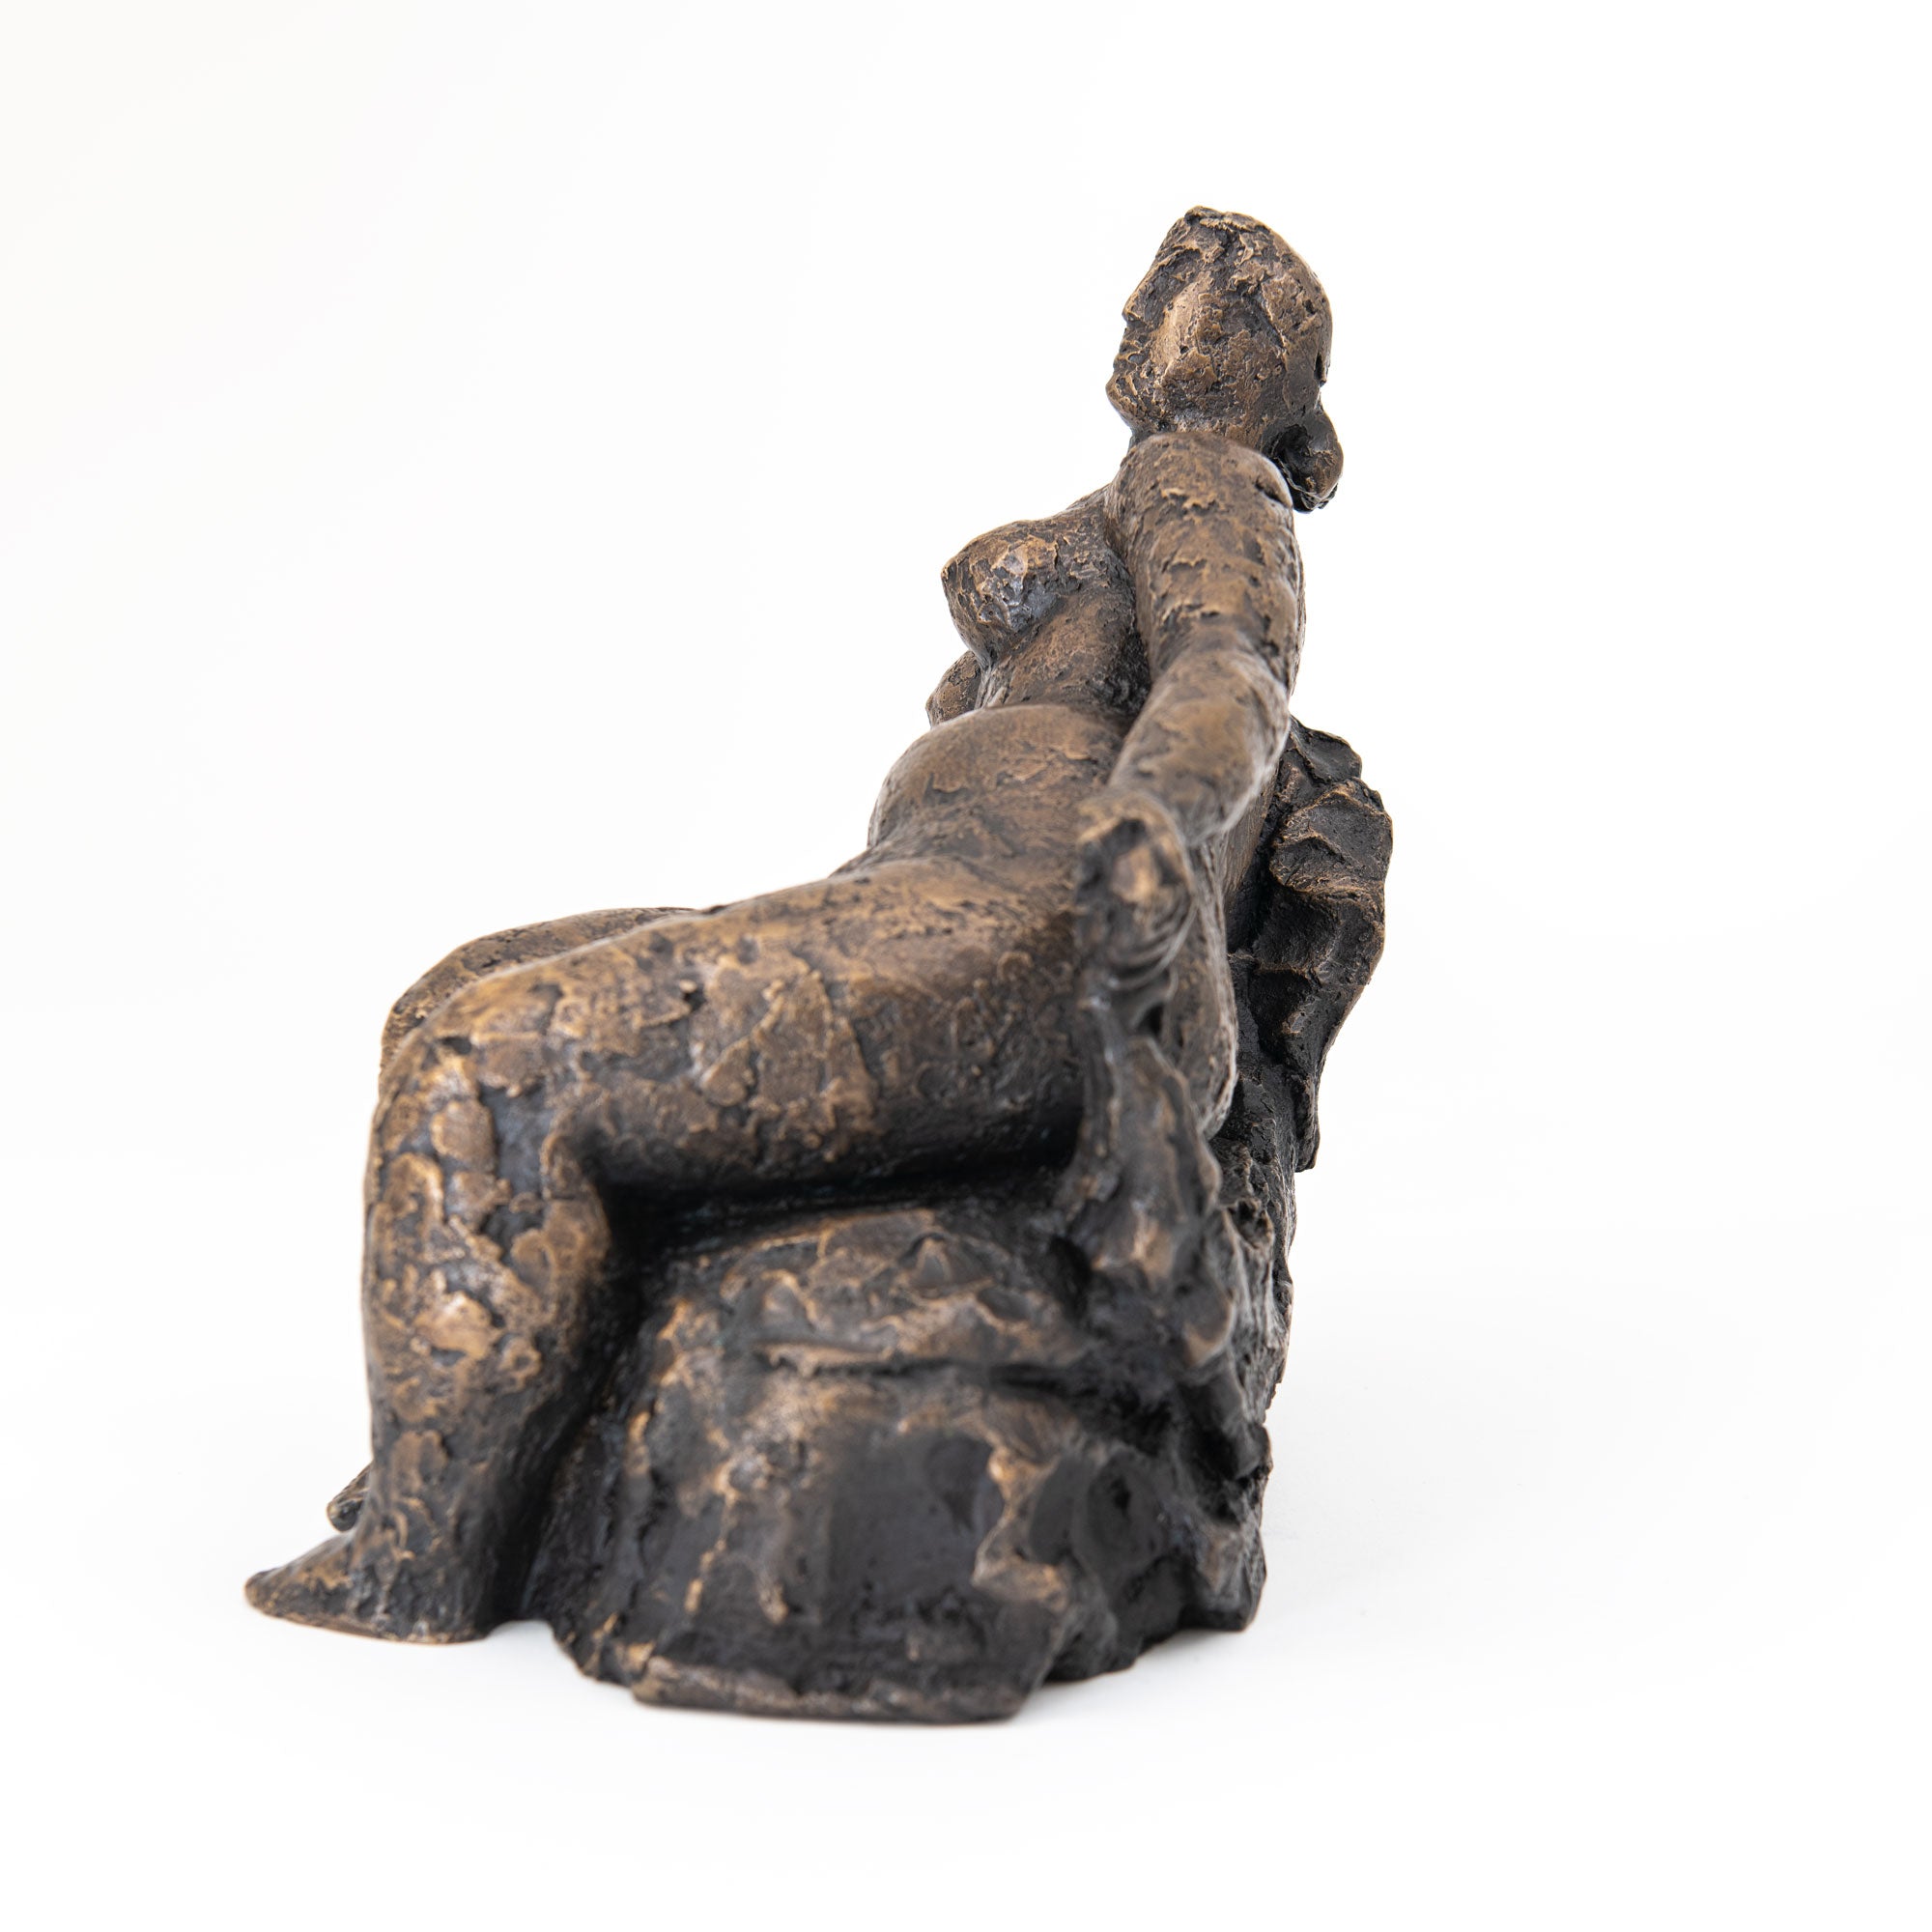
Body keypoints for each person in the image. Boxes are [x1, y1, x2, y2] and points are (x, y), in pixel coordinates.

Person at [246, 206, 1345, 1641]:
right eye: (1153, 285)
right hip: (909, 897)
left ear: (1257, 359)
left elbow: (1230, 675)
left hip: (1022, 927)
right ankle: (494, 1456)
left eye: (1188, 294)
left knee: (487, 1065)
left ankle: (421, 1562)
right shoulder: (1137, 493)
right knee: (452, 995)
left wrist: (1151, 826)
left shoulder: (1200, 474)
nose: (1141, 313)